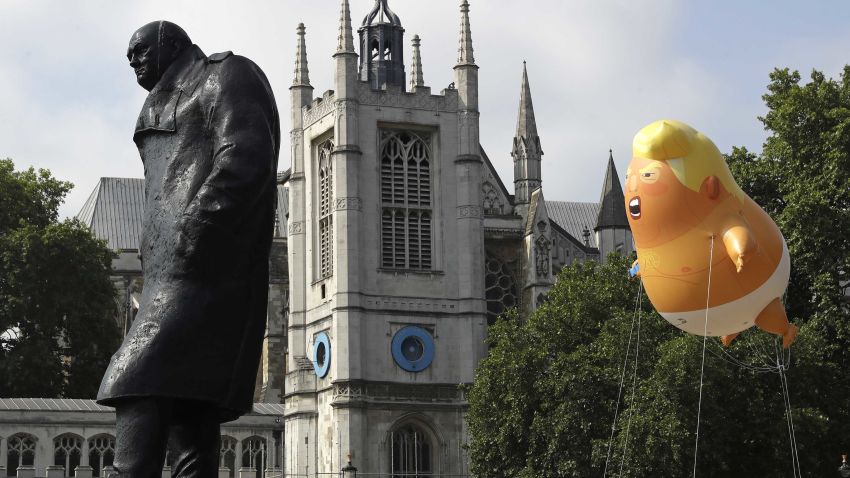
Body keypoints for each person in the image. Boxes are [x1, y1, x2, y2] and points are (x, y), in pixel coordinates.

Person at [97, 21, 280, 476]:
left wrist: (195, 227)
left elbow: (245, 156)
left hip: (206, 273)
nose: (134, 62)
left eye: (139, 51)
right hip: (164, 273)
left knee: (134, 384)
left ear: (170, 44)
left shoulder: (225, 75)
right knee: (189, 412)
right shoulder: (156, 103)